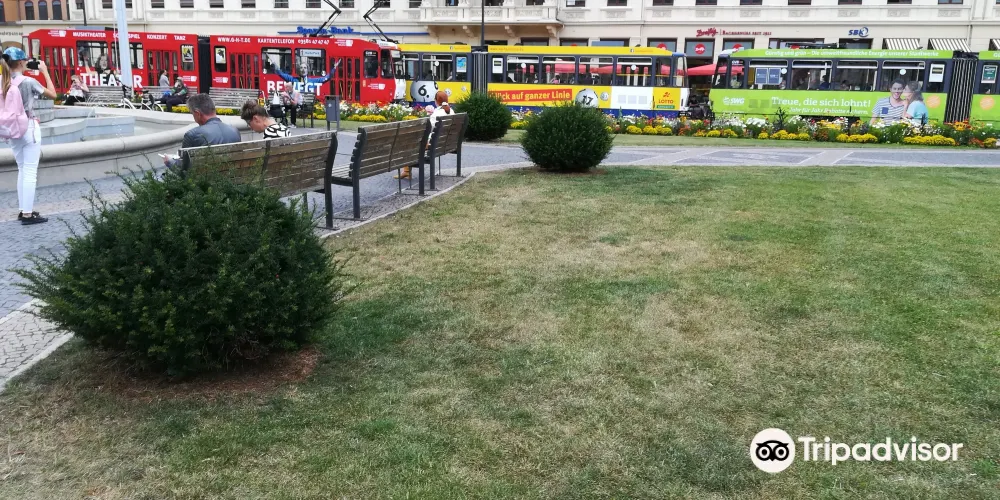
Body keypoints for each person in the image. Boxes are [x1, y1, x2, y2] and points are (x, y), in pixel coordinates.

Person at [2, 48, 57, 225]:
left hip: (12, 129)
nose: (27, 63)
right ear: (20, 62)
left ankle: (23, 209)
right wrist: (45, 72)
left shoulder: (3, 80)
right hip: (28, 126)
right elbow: (53, 94)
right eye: (25, 60)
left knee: (22, 169)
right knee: (30, 171)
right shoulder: (29, 81)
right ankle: (27, 214)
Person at [163, 93, 241, 170]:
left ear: (197, 113)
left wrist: (169, 162)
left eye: (192, 114)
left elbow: (183, 171)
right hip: (234, 177)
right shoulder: (235, 131)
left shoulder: (192, 135)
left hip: (206, 178)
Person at [397, 90, 453, 180]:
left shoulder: (437, 113)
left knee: (407, 141)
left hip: (432, 143)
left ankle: (406, 171)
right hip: (443, 143)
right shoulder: (451, 111)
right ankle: (406, 171)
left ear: (436, 101)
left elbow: (427, 129)